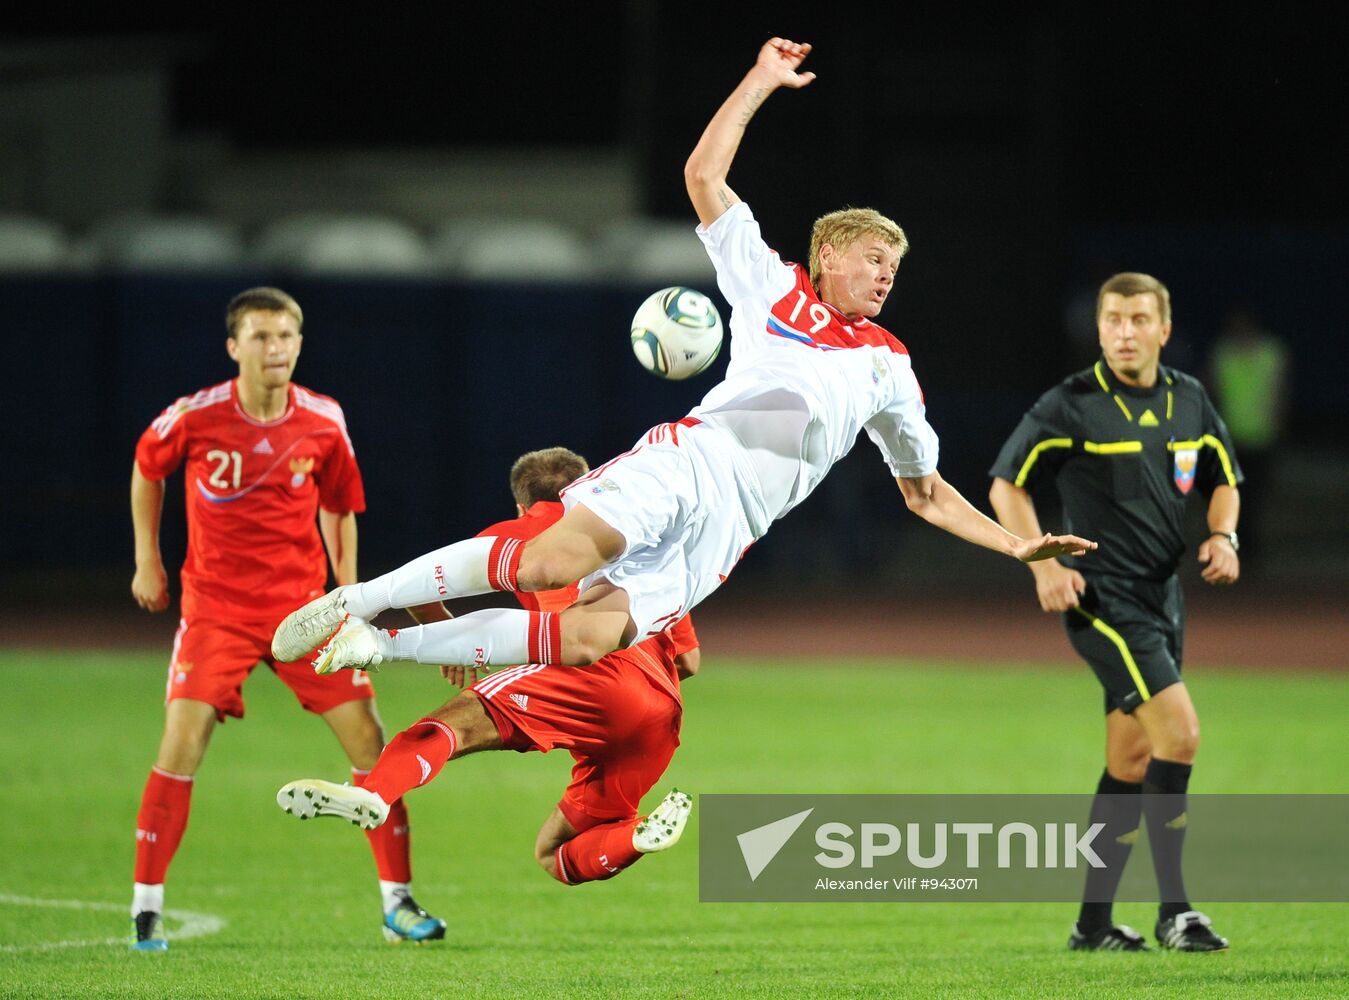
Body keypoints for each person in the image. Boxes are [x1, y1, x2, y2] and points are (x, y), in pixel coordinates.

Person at [270, 37, 1093, 683]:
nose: (886, 274)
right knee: (553, 561)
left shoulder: (890, 369)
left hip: (731, 529)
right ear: (829, 253)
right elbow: (704, 174)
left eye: (895, 266)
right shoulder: (772, 286)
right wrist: (761, 80)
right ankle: (358, 600)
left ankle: (379, 645)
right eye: (874, 257)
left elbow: (925, 492)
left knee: (587, 640)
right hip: (692, 464)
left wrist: (1014, 549)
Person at [127, 287, 445, 950]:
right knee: (180, 746)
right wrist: (146, 560)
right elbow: (147, 466)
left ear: (299, 344)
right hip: (215, 612)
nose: (275, 349)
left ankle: (398, 903)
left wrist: (349, 599)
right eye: (261, 337)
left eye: (286, 337)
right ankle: (146, 909)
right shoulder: (195, 416)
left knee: (370, 743)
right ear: (233, 347)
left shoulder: (324, 420)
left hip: (304, 611)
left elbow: (340, 504)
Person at [274, 447, 699, 887]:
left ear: (520, 506)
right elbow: (689, 660)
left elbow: (427, 583)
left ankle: (376, 793)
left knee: (456, 722)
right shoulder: (641, 540)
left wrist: (451, 638)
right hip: (660, 714)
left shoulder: (521, 532)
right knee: (553, 852)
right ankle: (635, 836)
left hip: (588, 672)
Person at [988, 272, 1242, 953]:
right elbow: (1006, 485)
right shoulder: (1070, 403)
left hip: (1164, 599)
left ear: (1163, 329)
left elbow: (1222, 478)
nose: (1124, 333)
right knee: (1180, 735)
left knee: (1130, 758)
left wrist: (1223, 535)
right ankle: (1176, 912)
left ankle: (1092, 925)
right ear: (1098, 329)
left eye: (1138, 320)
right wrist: (1042, 563)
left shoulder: (1189, 398)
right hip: (1101, 599)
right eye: (1112, 320)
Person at [1206, 305, 1289, 569]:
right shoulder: (1223, 353)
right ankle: (1231, 547)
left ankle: (1252, 553)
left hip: (1262, 437)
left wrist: (1278, 426)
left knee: (1257, 496)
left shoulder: (1270, 352)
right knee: (1229, 495)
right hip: (1231, 438)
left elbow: (1280, 391)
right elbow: (1211, 389)